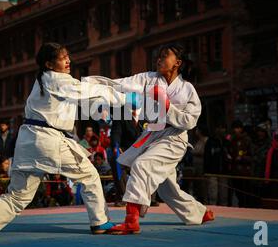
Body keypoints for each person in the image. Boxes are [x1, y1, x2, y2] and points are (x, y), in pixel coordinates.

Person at [0, 42, 131, 237]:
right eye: (62, 58)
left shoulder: (45, 81)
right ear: (50, 64)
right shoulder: (59, 80)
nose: (68, 60)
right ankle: (100, 222)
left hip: (28, 143)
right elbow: (87, 91)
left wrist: (110, 102)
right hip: (48, 140)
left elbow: (85, 97)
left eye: (68, 56)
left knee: (18, 195)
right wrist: (126, 99)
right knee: (89, 176)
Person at [84, 44, 214, 234]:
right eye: (158, 56)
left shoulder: (187, 89)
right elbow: (121, 84)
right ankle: (199, 213)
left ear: (177, 63)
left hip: (174, 138)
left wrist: (167, 106)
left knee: (142, 165)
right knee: (167, 190)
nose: (159, 59)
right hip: (152, 135)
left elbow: (189, 121)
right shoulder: (148, 79)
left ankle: (131, 221)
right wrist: (92, 84)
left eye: (165, 56)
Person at [204, 123, 231, 206]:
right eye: (219, 127)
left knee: (224, 196)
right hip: (212, 173)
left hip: (224, 172)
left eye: (223, 128)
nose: (221, 130)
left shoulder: (227, 142)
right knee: (213, 196)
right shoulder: (210, 141)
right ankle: (213, 212)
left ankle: (225, 214)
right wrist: (205, 172)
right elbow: (206, 157)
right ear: (215, 129)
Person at [229, 120, 254, 207]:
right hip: (235, 171)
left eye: (238, 128)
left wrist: (242, 157)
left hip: (245, 172)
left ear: (241, 129)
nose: (236, 130)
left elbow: (252, 156)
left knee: (246, 193)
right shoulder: (232, 140)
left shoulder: (247, 140)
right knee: (238, 194)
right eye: (234, 128)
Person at [191, 126, 208, 203]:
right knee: (197, 184)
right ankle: (199, 198)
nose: (196, 131)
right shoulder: (198, 141)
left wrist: (195, 153)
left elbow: (205, 153)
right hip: (196, 165)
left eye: (197, 130)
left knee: (203, 184)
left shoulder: (206, 140)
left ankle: (204, 200)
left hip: (202, 165)